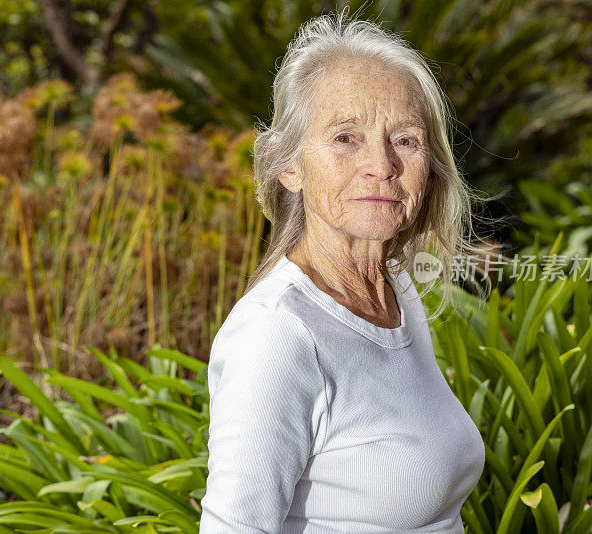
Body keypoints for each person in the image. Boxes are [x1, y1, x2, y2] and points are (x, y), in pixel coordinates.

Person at [198, 8, 495, 534]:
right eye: (345, 138)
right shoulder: (278, 337)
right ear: (288, 165)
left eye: (405, 140)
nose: (381, 165)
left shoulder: (394, 286)